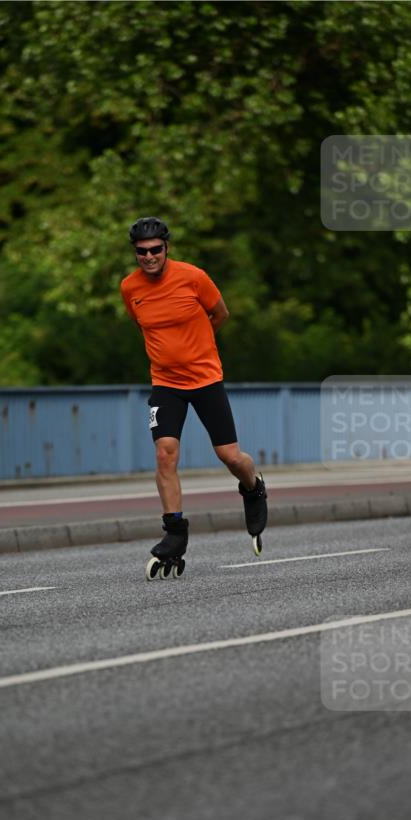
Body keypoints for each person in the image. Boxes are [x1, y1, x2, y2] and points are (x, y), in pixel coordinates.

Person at [120, 216, 267, 577]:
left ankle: (254, 487)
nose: (150, 257)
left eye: (156, 250)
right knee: (164, 453)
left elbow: (220, 313)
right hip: (165, 383)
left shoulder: (193, 277)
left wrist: (197, 343)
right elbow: (142, 326)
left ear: (167, 248)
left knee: (229, 455)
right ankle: (174, 533)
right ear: (135, 253)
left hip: (205, 379)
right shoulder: (129, 288)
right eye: (142, 252)